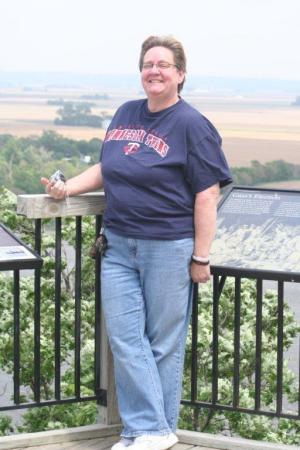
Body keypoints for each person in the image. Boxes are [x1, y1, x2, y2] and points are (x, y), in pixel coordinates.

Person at [41, 35, 232, 450]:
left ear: (180, 74)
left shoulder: (192, 125)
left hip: (169, 246)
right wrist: (67, 188)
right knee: (126, 338)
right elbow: (107, 166)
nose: (155, 71)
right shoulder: (127, 113)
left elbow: (207, 193)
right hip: (119, 244)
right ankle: (152, 429)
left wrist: (202, 256)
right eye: (148, 64)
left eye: (164, 64)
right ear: (141, 71)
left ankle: (147, 431)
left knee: (162, 342)